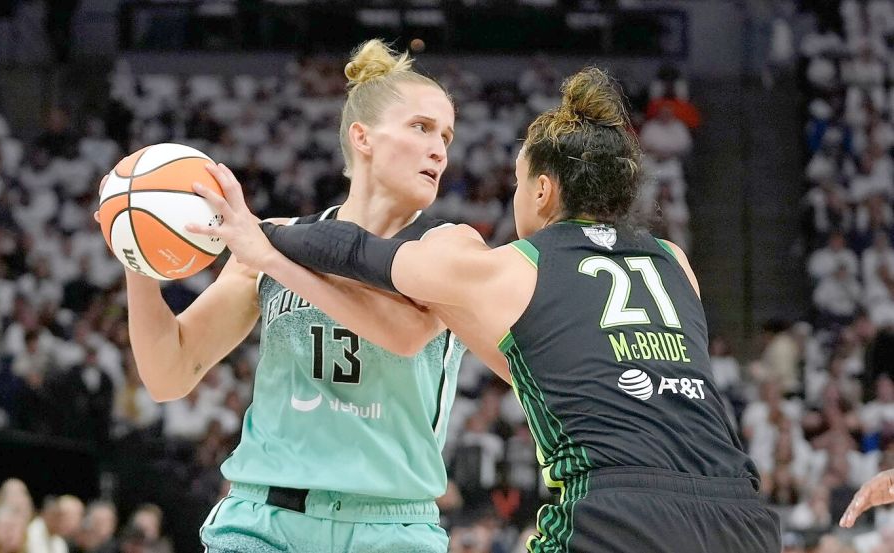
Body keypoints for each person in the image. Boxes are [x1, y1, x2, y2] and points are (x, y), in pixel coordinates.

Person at [191, 67, 782, 552]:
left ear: (544, 191)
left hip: (617, 509)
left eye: (520, 184)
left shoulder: (512, 265)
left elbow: (356, 251)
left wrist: (259, 235)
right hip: (740, 510)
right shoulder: (676, 262)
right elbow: (555, 364)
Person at [101, 40, 464, 552]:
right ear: (363, 137)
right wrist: (136, 249)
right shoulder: (268, 237)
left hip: (390, 527)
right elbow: (168, 373)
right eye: (422, 127)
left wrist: (272, 257)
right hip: (264, 519)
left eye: (446, 135)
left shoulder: (448, 244)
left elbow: (404, 334)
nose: (439, 150)